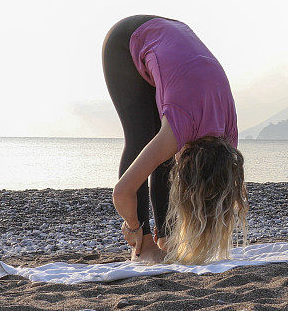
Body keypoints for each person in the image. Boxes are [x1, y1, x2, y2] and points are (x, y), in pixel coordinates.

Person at [101, 15, 248, 264]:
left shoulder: (228, 141)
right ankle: (144, 244)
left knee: (164, 149)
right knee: (143, 139)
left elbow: (220, 189)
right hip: (128, 40)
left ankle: (166, 239)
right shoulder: (182, 128)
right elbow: (122, 193)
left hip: (174, 36)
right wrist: (133, 226)